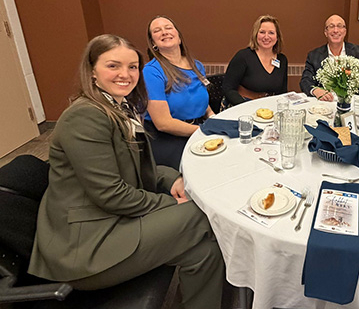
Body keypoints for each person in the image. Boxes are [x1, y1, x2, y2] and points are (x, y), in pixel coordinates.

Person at [28, 34, 224, 309]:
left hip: (114, 220)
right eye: (113, 66)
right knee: (206, 213)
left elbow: (139, 167)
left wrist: (173, 180)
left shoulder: (118, 106)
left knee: (205, 252)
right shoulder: (84, 116)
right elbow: (111, 195)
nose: (125, 74)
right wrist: (171, 203)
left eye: (132, 67)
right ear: (92, 71)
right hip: (88, 245)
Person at [144, 16, 214, 171]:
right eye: (157, 31)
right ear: (153, 43)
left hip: (198, 127)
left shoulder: (196, 65)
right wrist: (203, 132)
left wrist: (212, 116)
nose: (164, 32)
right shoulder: (151, 72)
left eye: (168, 28)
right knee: (197, 170)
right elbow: (163, 123)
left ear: (179, 36)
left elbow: (199, 99)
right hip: (167, 136)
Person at [299, 14, 359, 100]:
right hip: (325, 102)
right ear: (326, 32)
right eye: (331, 26)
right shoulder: (314, 55)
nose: (335, 30)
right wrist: (315, 90)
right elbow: (305, 80)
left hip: (352, 102)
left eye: (339, 26)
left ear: (345, 31)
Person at [222, 15, 288, 106]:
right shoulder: (243, 57)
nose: (266, 37)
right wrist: (246, 106)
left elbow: (282, 92)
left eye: (271, 33)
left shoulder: (282, 60)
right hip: (243, 105)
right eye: (262, 32)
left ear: (277, 37)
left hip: (270, 107)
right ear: (255, 35)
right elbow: (228, 88)